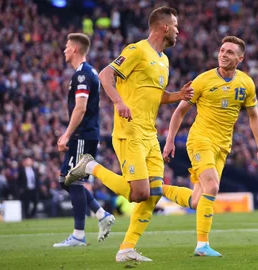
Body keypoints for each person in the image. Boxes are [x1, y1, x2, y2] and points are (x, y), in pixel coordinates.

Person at [65, 6, 194, 262]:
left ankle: (126, 249)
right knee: (139, 194)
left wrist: (177, 96)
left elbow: (155, 96)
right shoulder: (137, 50)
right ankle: (90, 166)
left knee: (153, 193)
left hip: (149, 133)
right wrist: (119, 102)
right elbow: (105, 75)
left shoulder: (164, 60)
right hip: (129, 131)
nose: (179, 31)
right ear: (165, 27)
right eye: (176, 26)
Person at [162, 36, 258, 256]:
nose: (223, 54)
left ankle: (156, 189)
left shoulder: (246, 83)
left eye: (229, 52)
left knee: (197, 200)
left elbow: (254, 116)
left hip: (222, 146)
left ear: (240, 58)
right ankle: (202, 245)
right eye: (221, 50)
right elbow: (180, 110)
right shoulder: (203, 80)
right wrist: (170, 140)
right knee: (212, 187)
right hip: (200, 139)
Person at [53, 33, 115, 248]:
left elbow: (80, 108)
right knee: (65, 180)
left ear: (76, 49)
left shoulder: (82, 75)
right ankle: (101, 214)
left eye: (67, 46)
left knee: (73, 181)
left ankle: (79, 235)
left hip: (82, 135)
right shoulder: (88, 72)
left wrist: (67, 134)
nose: (64, 50)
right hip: (86, 134)